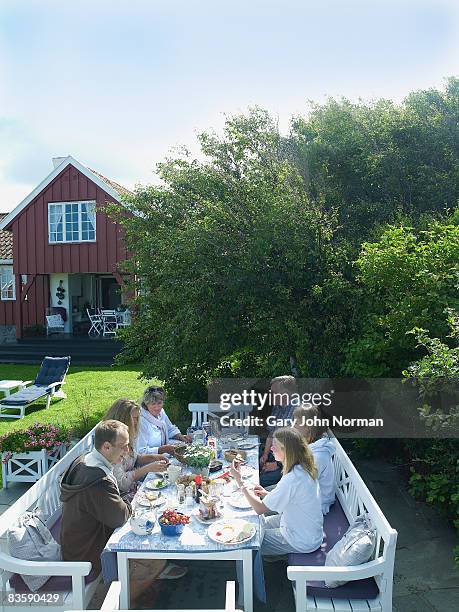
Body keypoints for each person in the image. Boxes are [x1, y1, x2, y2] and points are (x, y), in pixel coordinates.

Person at [231, 427, 323, 557]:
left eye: (275, 446)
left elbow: (259, 509)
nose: (271, 449)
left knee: (248, 542)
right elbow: (293, 499)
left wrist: (239, 481)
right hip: (302, 526)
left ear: (287, 451)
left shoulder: (292, 478)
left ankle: (255, 570)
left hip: (301, 539)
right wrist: (267, 494)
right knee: (252, 524)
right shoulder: (302, 467)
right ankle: (274, 556)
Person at [60, 420, 133, 575]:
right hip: (86, 555)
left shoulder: (86, 459)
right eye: (123, 446)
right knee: (147, 561)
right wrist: (130, 499)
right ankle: (123, 596)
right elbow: (120, 517)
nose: (127, 450)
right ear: (106, 447)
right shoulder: (98, 481)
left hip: (75, 545)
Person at [104, 399, 170, 500]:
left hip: (134, 488)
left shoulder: (125, 437)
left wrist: (153, 457)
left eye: (137, 418)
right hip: (122, 497)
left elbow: (134, 459)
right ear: (123, 419)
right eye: (134, 418)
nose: (136, 422)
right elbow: (122, 484)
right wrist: (148, 468)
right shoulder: (113, 444)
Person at [294, 405, 336, 514]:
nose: (292, 426)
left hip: (314, 507)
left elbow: (301, 485)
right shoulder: (310, 444)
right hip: (303, 497)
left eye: (296, 423)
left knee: (261, 514)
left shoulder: (319, 456)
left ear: (308, 427)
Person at [259, 376, 297, 487]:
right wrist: (265, 454)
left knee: (260, 481)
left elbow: (297, 449)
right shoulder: (278, 406)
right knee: (247, 462)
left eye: (274, 393)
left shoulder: (298, 411)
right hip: (276, 453)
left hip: (291, 464)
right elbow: (271, 433)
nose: (271, 395)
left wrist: (277, 465)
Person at [136, 386, 192, 455]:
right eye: (153, 404)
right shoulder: (141, 421)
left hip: (163, 455)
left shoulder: (161, 412)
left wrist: (181, 437)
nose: (157, 407)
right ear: (146, 404)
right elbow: (140, 451)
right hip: (149, 460)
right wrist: (160, 450)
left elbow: (170, 429)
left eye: (159, 403)